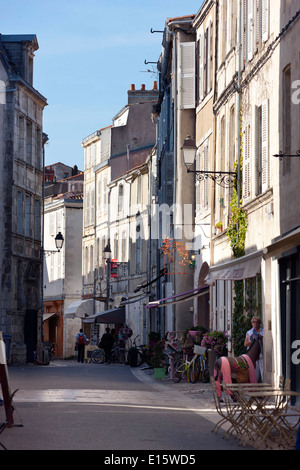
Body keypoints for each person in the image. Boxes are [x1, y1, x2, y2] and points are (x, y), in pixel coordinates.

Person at [244, 316, 264, 381]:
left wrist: (261, 338)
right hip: (252, 354)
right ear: (252, 323)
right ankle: (254, 386)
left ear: (259, 323)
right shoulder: (249, 332)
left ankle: (264, 384)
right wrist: (251, 341)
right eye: (254, 322)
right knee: (254, 372)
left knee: (263, 370)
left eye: (257, 322)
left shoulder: (263, 331)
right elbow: (245, 344)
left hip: (261, 353)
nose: (255, 323)